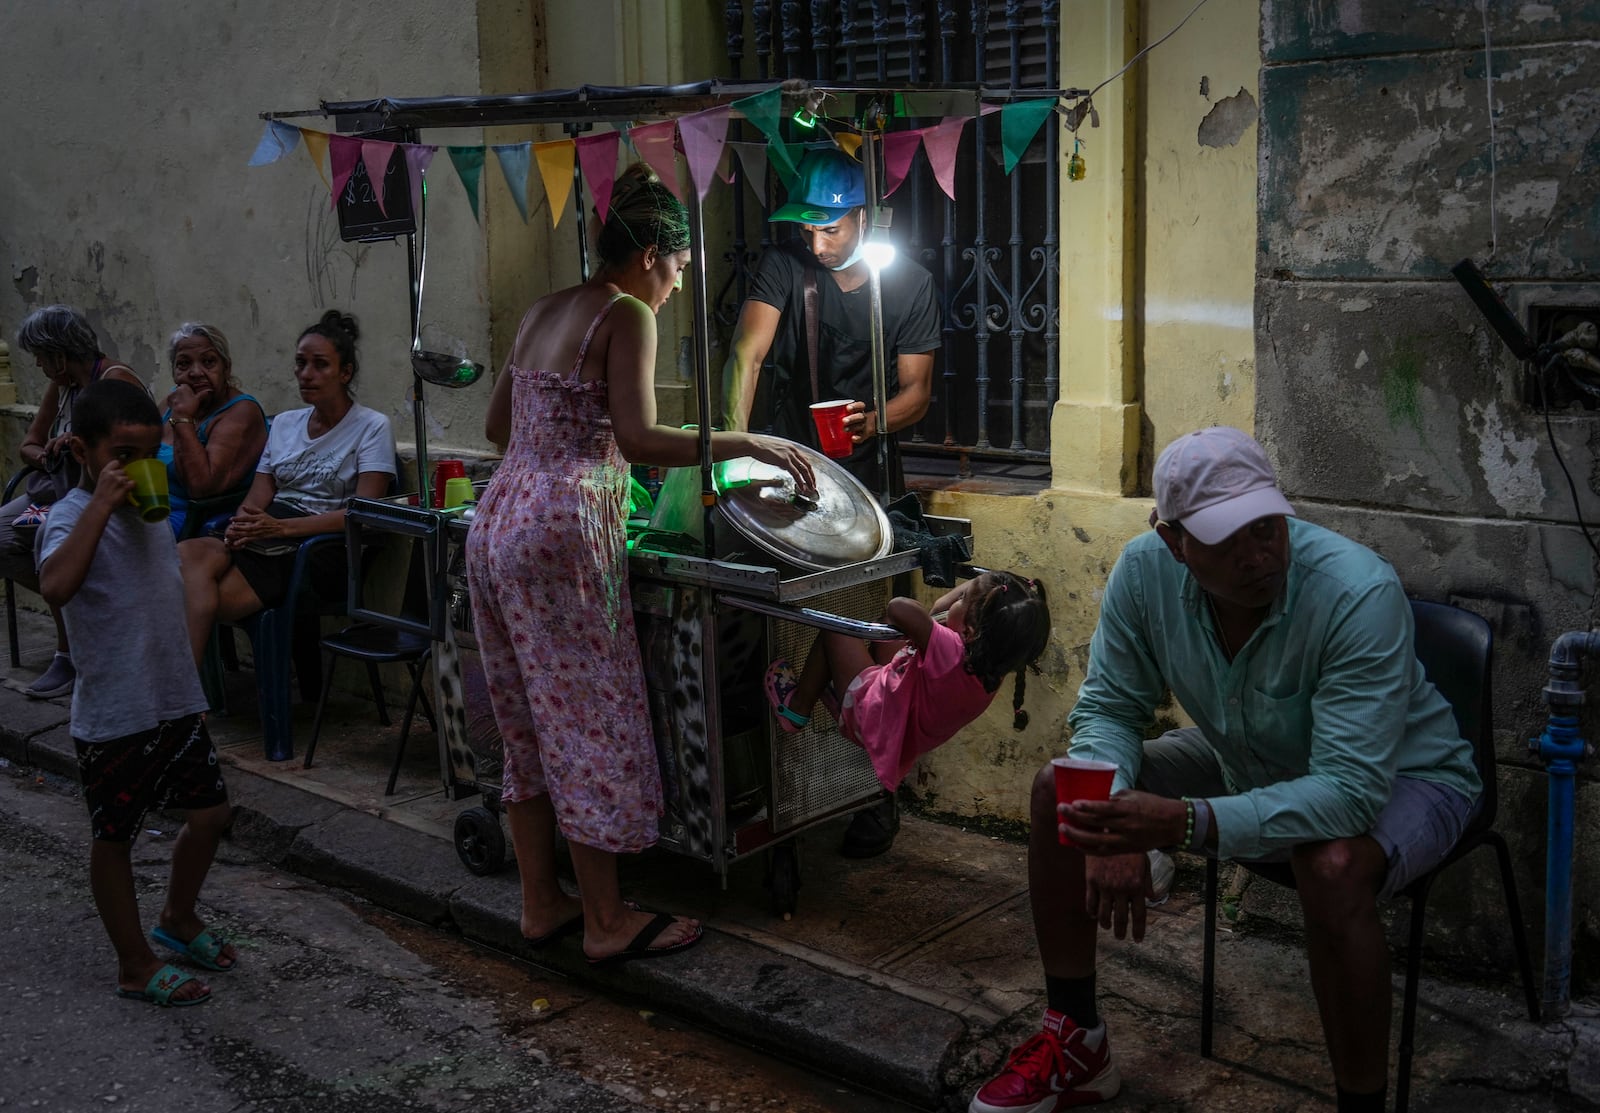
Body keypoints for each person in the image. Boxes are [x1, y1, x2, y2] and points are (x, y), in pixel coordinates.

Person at [969, 427, 1482, 1113]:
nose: (1257, 555)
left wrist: (1183, 821)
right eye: (1227, 538)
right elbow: (1111, 708)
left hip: (1406, 775)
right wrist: (1114, 809)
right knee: (1060, 791)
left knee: (1328, 864)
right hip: (1247, 756)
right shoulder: (1143, 570)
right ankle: (1077, 1042)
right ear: (1173, 539)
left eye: (1267, 527)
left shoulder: (1355, 591)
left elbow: (1350, 792)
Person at [466, 164, 815, 966]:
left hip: (496, 524)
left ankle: (539, 903)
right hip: (558, 534)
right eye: (680, 268)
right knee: (587, 719)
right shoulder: (624, 311)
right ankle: (605, 918)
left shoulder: (541, 310)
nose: (676, 285)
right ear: (653, 252)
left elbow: (497, 427)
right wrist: (747, 440)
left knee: (527, 725)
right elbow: (642, 440)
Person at [722, 146, 943, 858]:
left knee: (861, 641)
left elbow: (918, 392)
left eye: (831, 230)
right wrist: (731, 450)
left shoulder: (905, 283)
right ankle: (776, 785)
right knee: (774, 630)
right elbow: (745, 356)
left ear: (863, 218)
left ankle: (873, 795)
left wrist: (872, 421)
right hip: (781, 487)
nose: (816, 244)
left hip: (866, 495)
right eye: (807, 230)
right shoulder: (784, 269)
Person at [37, 378, 236, 1007]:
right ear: (82, 451)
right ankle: (133, 964)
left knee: (211, 815)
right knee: (115, 836)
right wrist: (98, 505)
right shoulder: (72, 516)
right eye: (122, 455)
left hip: (171, 700)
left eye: (149, 455)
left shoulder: (152, 514)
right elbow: (55, 589)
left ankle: (177, 916)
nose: (137, 469)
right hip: (115, 714)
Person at [179, 310, 396, 661]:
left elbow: (364, 513)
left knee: (197, 599)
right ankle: (184, 700)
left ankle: (183, 700)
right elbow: (257, 497)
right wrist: (241, 526)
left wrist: (281, 529)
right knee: (185, 556)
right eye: (300, 363)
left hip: (320, 546)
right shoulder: (283, 425)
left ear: (345, 372)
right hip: (269, 534)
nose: (306, 374)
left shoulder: (371, 427)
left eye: (320, 365)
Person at [763, 570, 1051, 794]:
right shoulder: (991, 668)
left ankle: (797, 708)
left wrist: (976, 585)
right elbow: (934, 611)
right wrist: (975, 595)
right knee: (889, 623)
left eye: (964, 598)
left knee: (837, 630)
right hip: (900, 727)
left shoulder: (950, 650)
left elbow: (900, 607)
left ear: (971, 630)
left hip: (873, 718)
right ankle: (840, 693)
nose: (959, 598)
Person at [5, 305, 147, 699]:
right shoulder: (65, 384)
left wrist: (79, 448)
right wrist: (50, 453)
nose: (36, 364)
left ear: (59, 354)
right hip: (59, 487)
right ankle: (85, 612)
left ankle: (70, 651)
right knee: (4, 533)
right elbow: (28, 445)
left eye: (39, 355)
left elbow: (130, 455)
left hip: (105, 494)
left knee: (46, 538)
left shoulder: (115, 382)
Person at [157, 322, 269, 538]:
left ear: (226, 368)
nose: (196, 372)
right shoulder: (173, 401)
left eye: (209, 362)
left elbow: (201, 487)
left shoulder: (241, 411)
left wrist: (182, 419)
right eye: (184, 364)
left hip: (191, 519)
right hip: (146, 508)